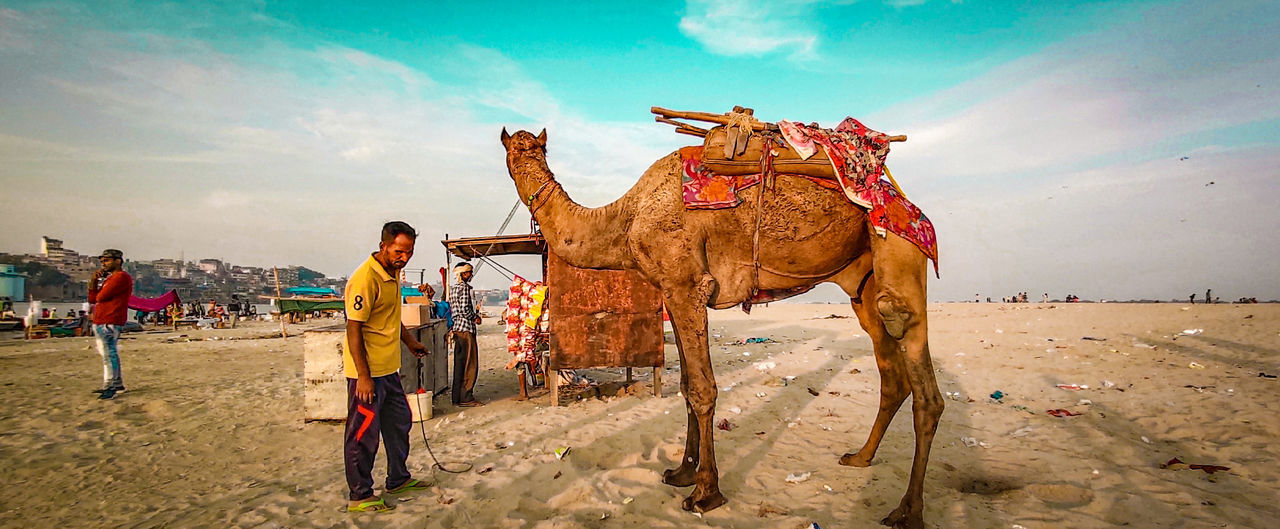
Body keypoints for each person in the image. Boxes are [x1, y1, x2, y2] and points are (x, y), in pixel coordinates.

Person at [341, 221, 432, 513]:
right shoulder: (365, 279)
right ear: (384, 246)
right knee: (363, 433)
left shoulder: (393, 276)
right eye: (398, 251)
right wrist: (364, 377)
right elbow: (354, 329)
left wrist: (409, 342)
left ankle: (398, 478)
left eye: (409, 252)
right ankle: (360, 494)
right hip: (366, 374)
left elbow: (392, 318)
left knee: (400, 423)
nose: (404, 257)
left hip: (388, 369)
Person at [88, 249, 134, 400]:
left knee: (109, 354)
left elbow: (100, 297)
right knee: (108, 353)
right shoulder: (111, 279)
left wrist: (96, 284)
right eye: (102, 261)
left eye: (107, 260)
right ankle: (117, 383)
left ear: (118, 261)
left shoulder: (120, 277)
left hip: (110, 319)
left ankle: (111, 386)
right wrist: (94, 282)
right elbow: (92, 298)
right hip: (104, 318)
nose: (103, 264)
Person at [448, 261, 483, 407]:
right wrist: (475, 316)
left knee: (459, 364)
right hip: (466, 329)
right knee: (471, 364)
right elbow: (464, 309)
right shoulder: (465, 289)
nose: (471, 275)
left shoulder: (453, 289)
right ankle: (466, 397)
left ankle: (456, 397)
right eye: (468, 273)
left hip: (457, 328)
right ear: (462, 274)